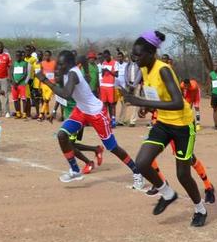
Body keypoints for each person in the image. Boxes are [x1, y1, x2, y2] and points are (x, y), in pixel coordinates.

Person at [121, 30, 207, 227]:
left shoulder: (164, 70)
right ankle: (168, 193)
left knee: (183, 175)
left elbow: (178, 102)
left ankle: (200, 209)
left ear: (151, 53)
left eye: (138, 54)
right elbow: (158, 98)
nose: (135, 58)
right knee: (142, 163)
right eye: (134, 54)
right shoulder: (144, 69)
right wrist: (146, 107)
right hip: (163, 123)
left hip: (183, 126)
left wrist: (139, 100)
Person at [36, 51, 141, 185]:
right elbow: (83, 58)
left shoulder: (73, 73)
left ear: (68, 64)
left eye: (62, 64)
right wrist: (86, 73)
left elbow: (66, 94)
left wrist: (44, 80)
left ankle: (137, 171)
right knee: (62, 135)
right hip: (81, 110)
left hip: (96, 112)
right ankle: (75, 170)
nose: (59, 66)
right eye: (59, 63)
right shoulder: (75, 62)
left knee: (112, 147)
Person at [37, 50, 57, 122]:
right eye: (45, 55)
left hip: (51, 84)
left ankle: (41, 114)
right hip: (44, 84)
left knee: (46, 99)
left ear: (50, 56)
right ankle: (48, 114)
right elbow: (41, 74)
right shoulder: (42, 63)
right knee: (45, 99)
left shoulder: (54, 63)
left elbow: (56, 72)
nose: (46, 57)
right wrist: (39, 85)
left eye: (48, 55)